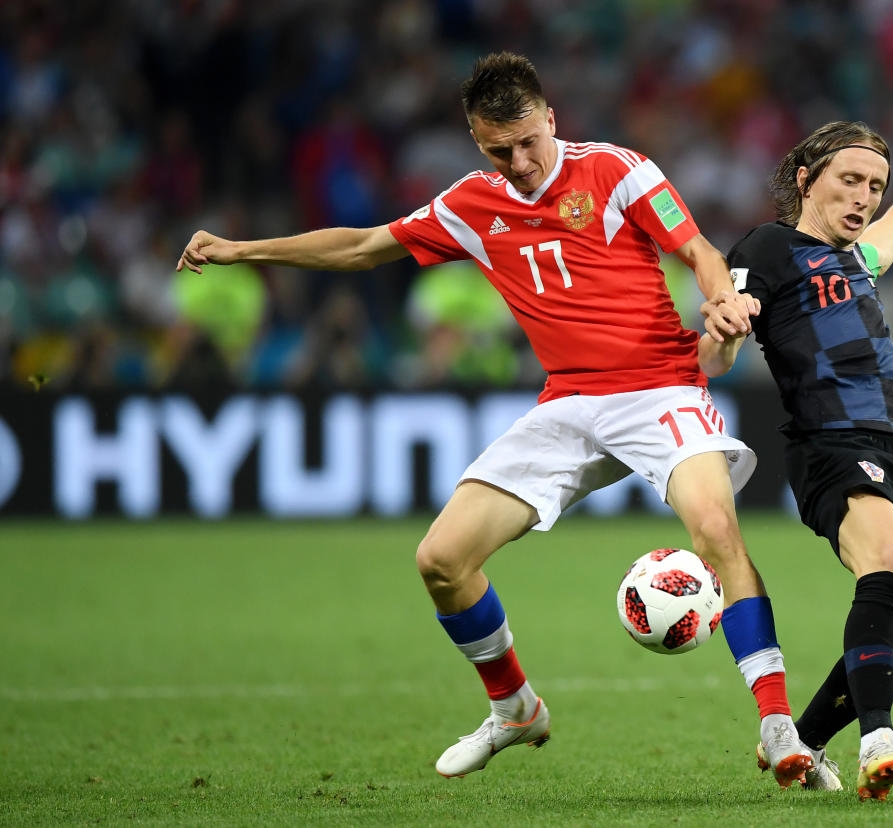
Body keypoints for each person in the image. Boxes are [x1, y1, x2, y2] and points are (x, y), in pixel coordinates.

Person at [176, 51, 814, 788]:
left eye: (526, 143)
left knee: (716, 530)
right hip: (566, 403)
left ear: (551, 119)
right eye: (496, 150)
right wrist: (241, 250)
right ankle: (514, 708)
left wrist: (721, 301)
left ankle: (777, 727)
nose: (516, 162)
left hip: (658, 388)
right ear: (476, 140)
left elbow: (697, 249)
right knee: (440, 561)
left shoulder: (618, 170)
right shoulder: (471, 204)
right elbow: (359, 247)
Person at [699, 121, 893, 801]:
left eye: (873, 185)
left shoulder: (855, 261)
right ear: (805, 179)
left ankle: (802, 742)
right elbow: (721, 340)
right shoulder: (770, 248)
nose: (864, 196)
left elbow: (885, 242)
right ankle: (879, 738)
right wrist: (729, 325)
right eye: (850, 179)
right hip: (831, 443)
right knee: (886, 560)